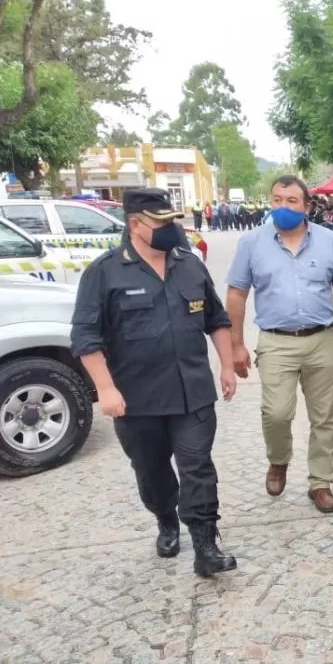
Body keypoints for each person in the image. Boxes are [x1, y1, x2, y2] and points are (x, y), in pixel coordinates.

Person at [70, 188, 238, 577]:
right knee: (151, 470)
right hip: (137, 400)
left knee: (198, 466)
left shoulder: (190, 265)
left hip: (193, 391)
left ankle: (205, 544)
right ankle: (165, 516)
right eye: (161, 223)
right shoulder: (105, 272)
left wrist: (226, 366)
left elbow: (216, 319)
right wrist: (106, 389)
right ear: (135, 225)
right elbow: (86, 338)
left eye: (172, 221)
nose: (171, 229)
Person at [226, 175, 333, 514]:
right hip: (275, 342)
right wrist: (236, 345)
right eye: (277, 200)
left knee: (324, 416)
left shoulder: (328, 241)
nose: (283, 207)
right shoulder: (252, 243)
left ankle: (321, 482)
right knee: (277, 412)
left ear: (306, 206)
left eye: (291, 201)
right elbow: (237, 293)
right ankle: (279, 459)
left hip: (321, 339)